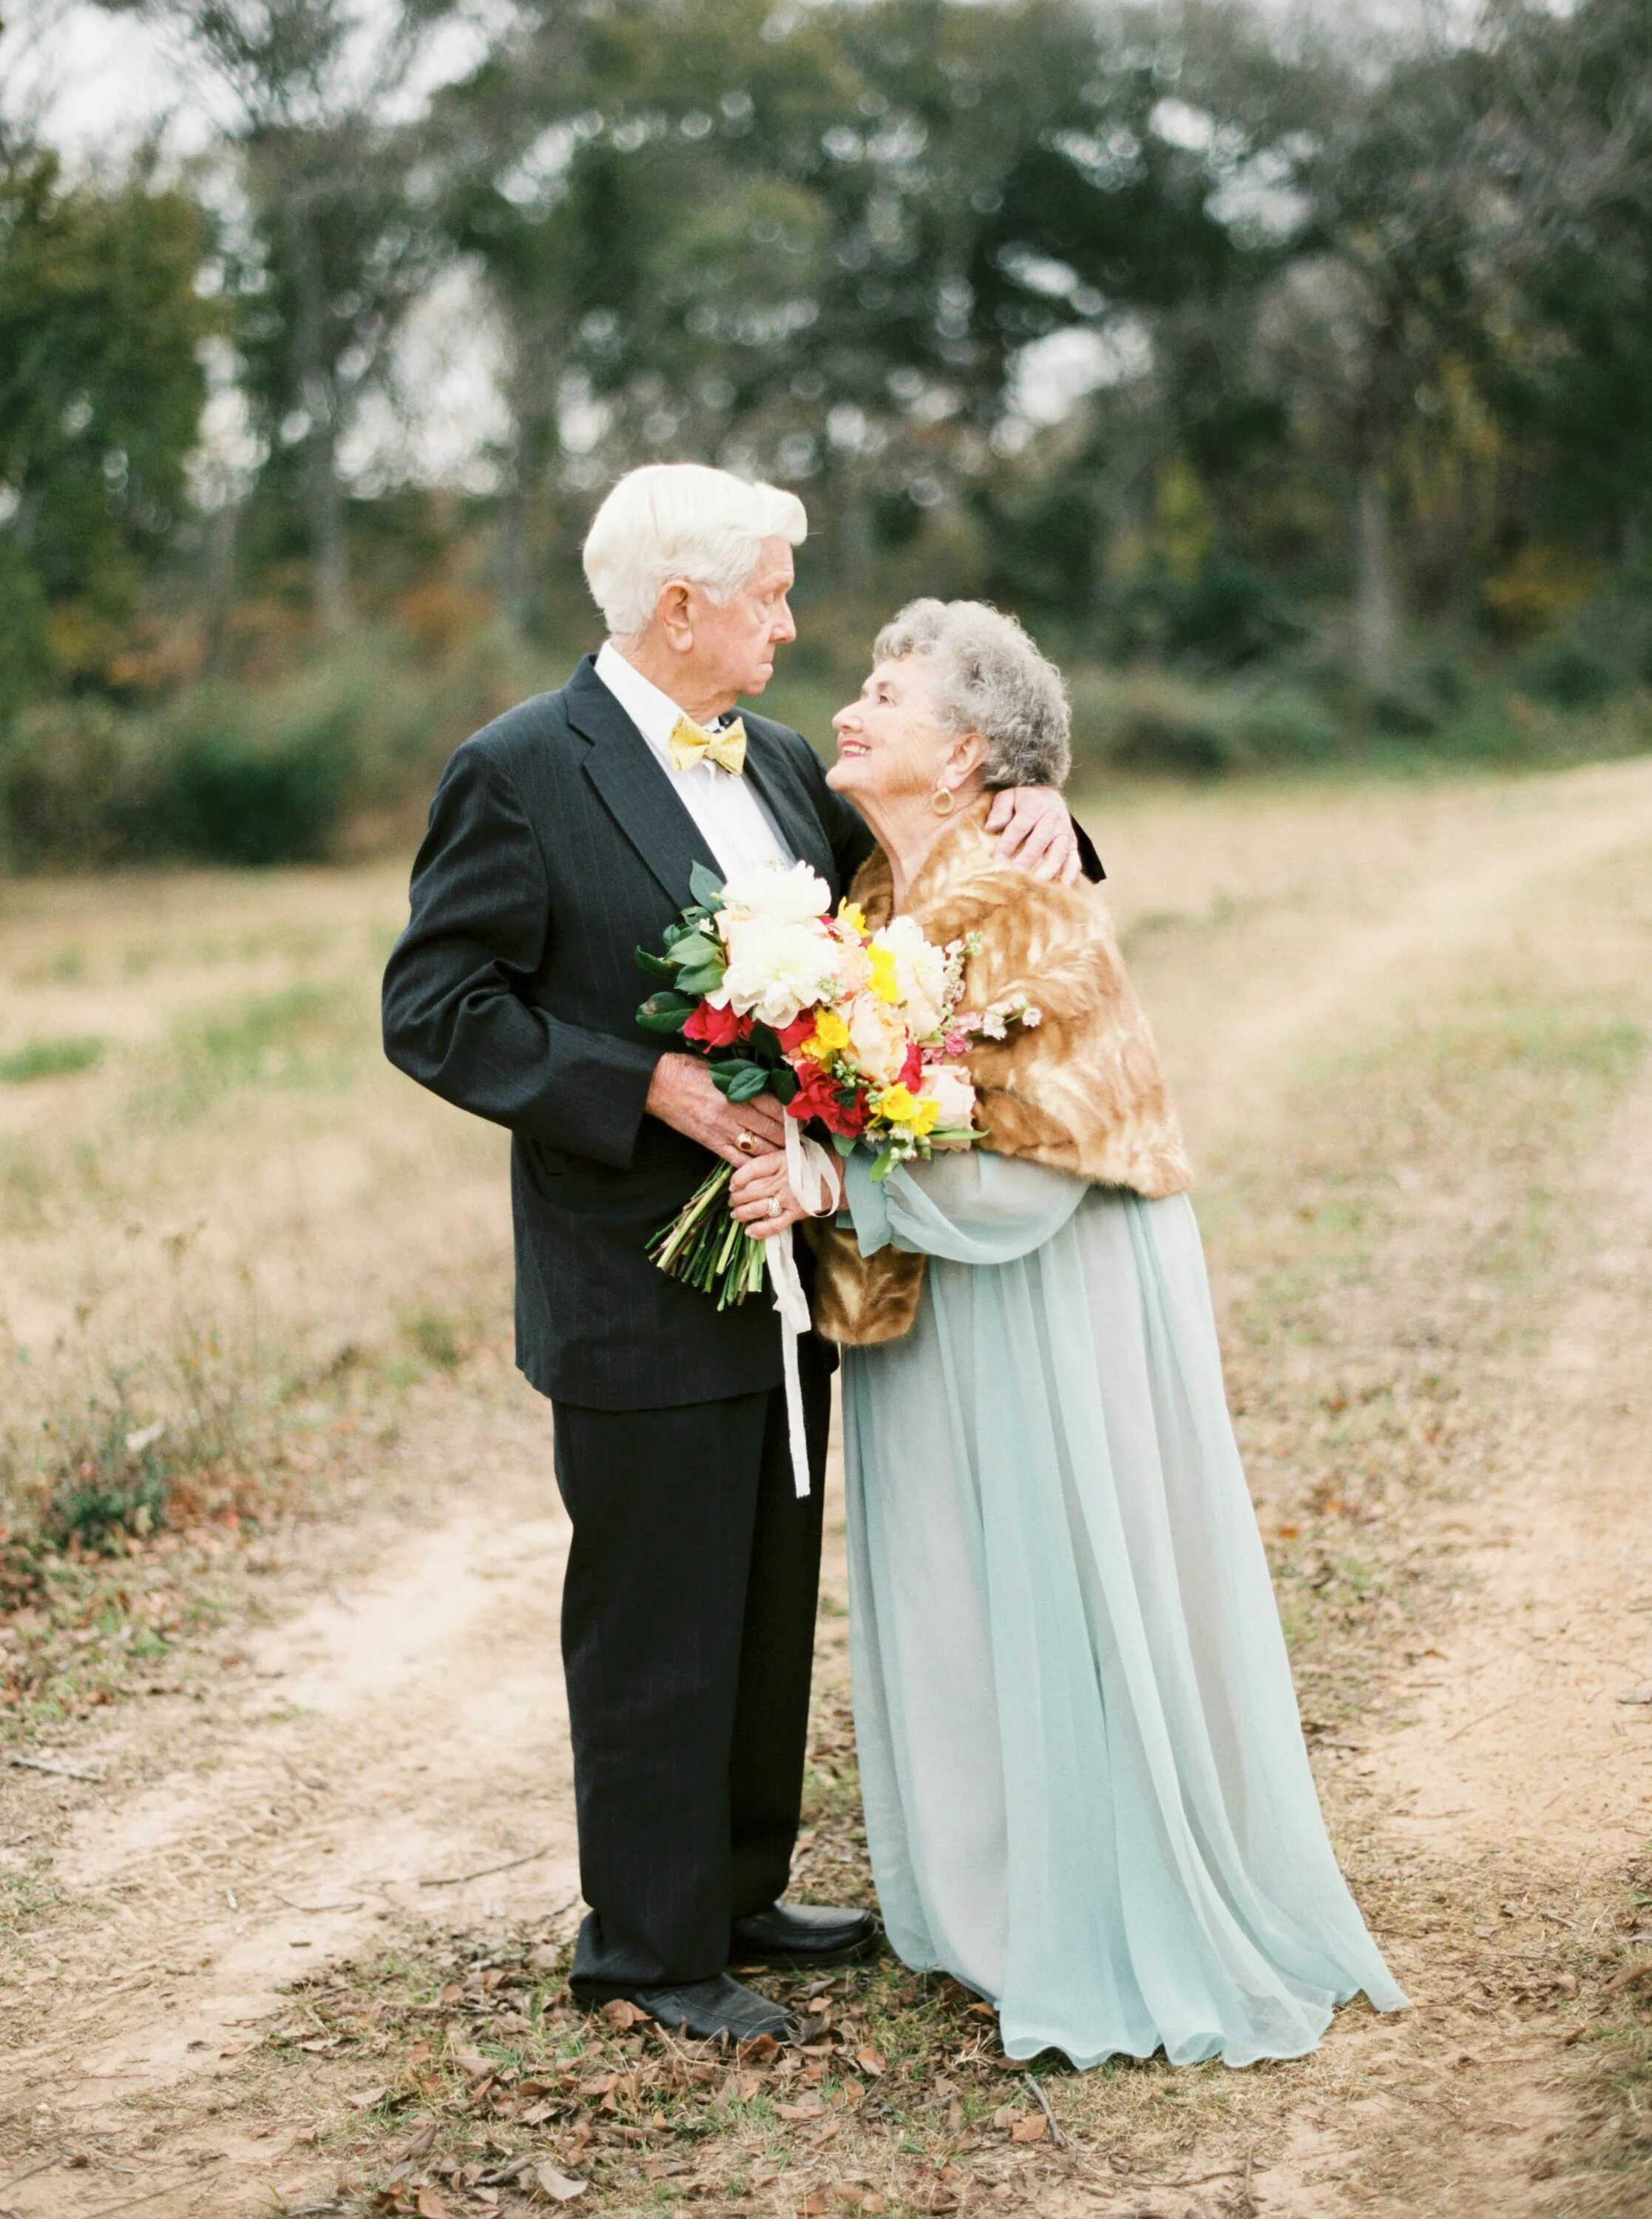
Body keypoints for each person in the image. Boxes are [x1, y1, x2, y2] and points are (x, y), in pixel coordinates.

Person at [380, 468, 1094, 2044]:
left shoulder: (777, 761)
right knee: (654, 1610)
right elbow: (433, 1009)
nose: (789, 620)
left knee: (768, 1590)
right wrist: (637, 1083)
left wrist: (1049, 794)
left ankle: (741, 1888)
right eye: (770, 592)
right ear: (681, 605)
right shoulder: (514, 768)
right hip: (627, 1260)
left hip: (790, 1257)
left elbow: (929, 819)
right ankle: (645, 1948)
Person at [734, 597, 1406, 2067]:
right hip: (943, 1302)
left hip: (1047, 1289)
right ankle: (993, 1891)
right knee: (962, 1584)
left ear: (967, 751)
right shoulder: (864, 896)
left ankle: (1087, 1896)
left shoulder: (1014, 889)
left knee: (1057, 1575)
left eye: (886, 692)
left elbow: (1037, 1152)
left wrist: (834, 1176)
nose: (849, 709)